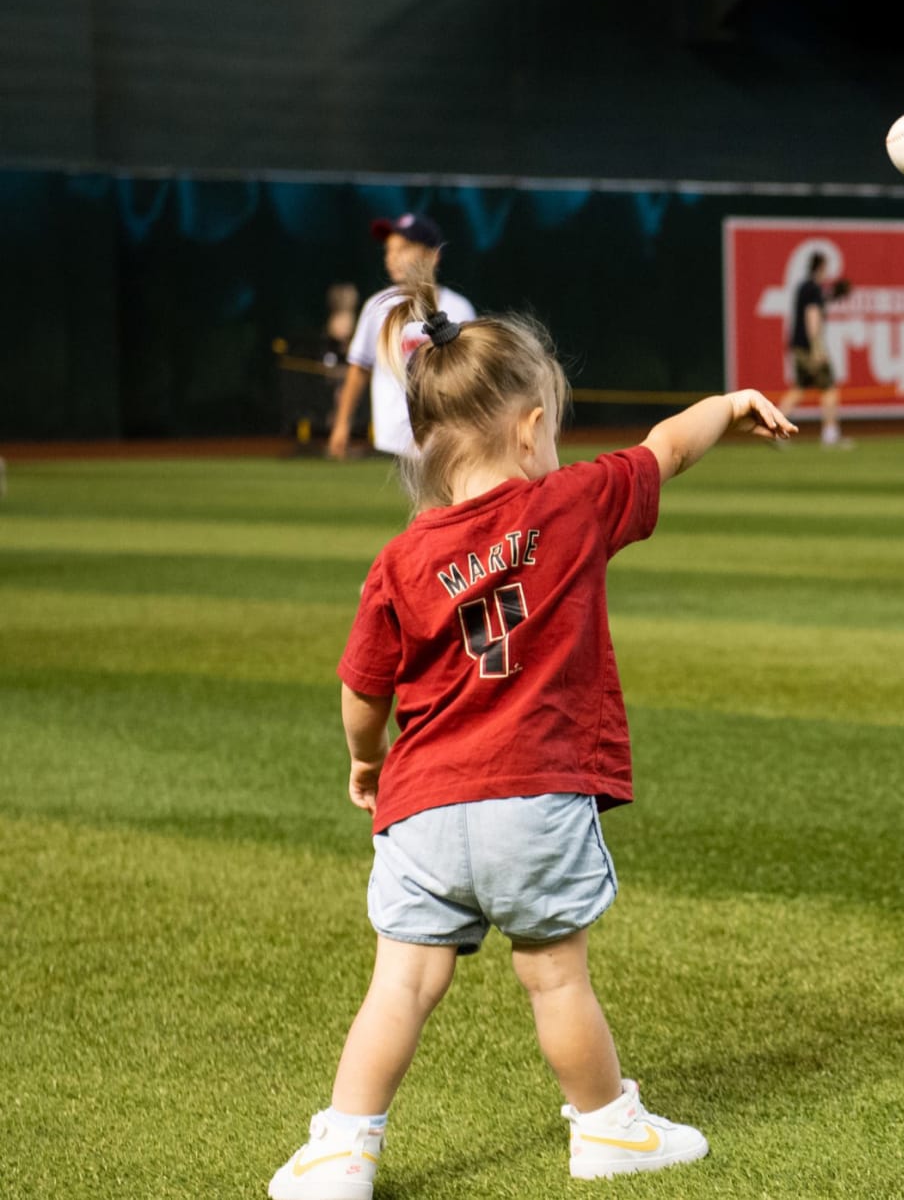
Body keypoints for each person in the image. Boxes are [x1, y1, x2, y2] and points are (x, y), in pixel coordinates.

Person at [270, 262, 798, 1199]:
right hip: (537, 797)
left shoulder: (399, 557)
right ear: (529, 428)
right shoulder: (573, 503)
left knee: (400, 987)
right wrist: (731, 400)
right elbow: (668, 447)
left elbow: (362, 687)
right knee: (554, 979)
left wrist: (364, 760)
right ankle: (605, 1131)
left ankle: (343, 1151)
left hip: (423, 803)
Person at [329, 213, 476, 460]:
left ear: (433, 255)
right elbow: (359, 369)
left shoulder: (460, 308)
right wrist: (342, 424)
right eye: (389, 250)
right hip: (390, 444)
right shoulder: (377, 307)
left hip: (446, 442)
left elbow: (472, 377)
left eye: (405, 248)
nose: (393, 257)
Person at [779, 252, 852, 449]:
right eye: (826, 267)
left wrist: (830, 296)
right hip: (810, 348)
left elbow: (815, 306)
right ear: (820, 267)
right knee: (829, 388)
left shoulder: (805, 287)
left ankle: (773, 429)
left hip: (798, 346)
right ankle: (830, 434)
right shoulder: (813, 289)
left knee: (799, 389)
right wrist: (817, 349)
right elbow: (812, 317)